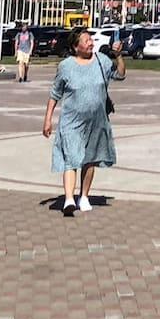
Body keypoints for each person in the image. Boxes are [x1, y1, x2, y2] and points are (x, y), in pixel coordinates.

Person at [42, 28, 125, 216]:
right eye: (86, 40)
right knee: (71, 158)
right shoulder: (66, 66)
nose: (90, 42)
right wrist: (48, 119)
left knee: (90, 160)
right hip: (71, 121)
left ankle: (84, 196)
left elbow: (120, 74)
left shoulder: (101, 61)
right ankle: (69, 200)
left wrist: (118, 56)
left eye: (90, 39)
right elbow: (55, 94)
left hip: (96, 121)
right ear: (75, 46)